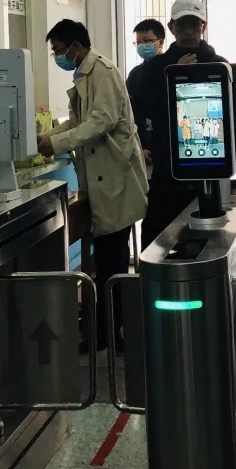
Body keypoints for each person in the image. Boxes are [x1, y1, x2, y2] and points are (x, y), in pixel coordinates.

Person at [38, 19, 148, 352]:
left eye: (59, 50)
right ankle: (104, 330)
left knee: (113, 263)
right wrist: (45, 137)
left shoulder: (104, 72)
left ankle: (111, 334)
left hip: (116, 180)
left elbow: (102, 122)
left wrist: (57, 143)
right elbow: (78, 121)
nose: (57, 57)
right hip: (101, 181)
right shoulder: (84, 74)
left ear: (76, 46)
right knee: (105, 260)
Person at [128, 0, 229, 245]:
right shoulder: (156, 67)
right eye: (182, 25)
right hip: (167, 167)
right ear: (172, 27)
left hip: (210, 168)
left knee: (207, 240)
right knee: (156, 238)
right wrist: (174, 74)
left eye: (194, 25)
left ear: (203, 26)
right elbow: (144, 108)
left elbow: (231, 113)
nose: (188, 31)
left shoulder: (219, 64)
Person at [126, 18, 166, 152]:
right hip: (141, 145)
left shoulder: (170, 69)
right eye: (139, 42)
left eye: (147, 41)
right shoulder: (135, 73)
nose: (142, 46)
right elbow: (128, 111)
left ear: (160, 42)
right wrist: (139, 147)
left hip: (167, 142)